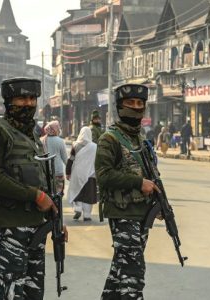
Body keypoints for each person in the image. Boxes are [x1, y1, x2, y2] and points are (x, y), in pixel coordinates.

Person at [0, 77, 67, 300]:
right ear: (8, 101)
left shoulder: (35, 137)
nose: (27, 104)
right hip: (10, 227)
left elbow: (43, 181)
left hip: (37, 229)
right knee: (6, 291)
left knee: (33, 293)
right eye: (21, 98)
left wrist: (56, 221)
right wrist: (35, 196)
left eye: (31, 98)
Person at [96, 83, 159, 300]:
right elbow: (103, 176)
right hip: (122, 213)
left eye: (139, 103)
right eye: (130, 103)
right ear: (120, 106)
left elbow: (152, 174)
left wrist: (158, 203)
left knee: (119, 272)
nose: (135, 107)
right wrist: (137, 183)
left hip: (142, 214)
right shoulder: (109, 139)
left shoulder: (140, 139)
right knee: (132, 276)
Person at [66, 126, 97, 221]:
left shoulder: (75, 145)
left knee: (77, 190)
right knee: (88, 194)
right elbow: (98, 161)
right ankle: (87, 215)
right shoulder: (94, 146)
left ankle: (78, 208)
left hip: (77, 173)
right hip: (90, 174)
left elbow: (70, 160)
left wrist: (68, 172)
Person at [41, 120, 67, 194]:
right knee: (58, 195)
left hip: (45, 172)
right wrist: (70, 171)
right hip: (58, 173)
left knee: (48, 194)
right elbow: (65, 159)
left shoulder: (42, 140)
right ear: (56, 129)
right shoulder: (60, 141)